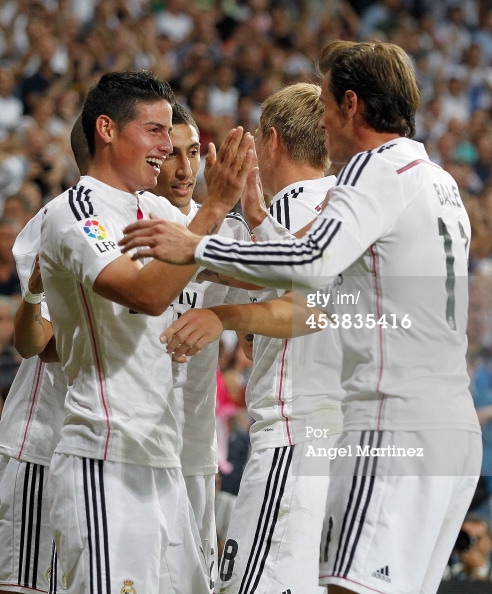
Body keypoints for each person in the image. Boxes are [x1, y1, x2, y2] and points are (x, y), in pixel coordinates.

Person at [119, 41, 482, 594]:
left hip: (382, 422)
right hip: (448, 430)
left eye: (328, 103)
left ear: (351, 105)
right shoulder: (437, 180)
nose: (324, 121)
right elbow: (326, 275)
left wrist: (197, 248)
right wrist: (258, 222)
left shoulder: (373, 170)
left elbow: (311, 269)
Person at [38, 70, 253, 594]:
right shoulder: (76, 213)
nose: (165, 146)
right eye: (155, 130)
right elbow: (146, 293)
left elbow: (240, 271)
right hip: (104, 455)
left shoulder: (154, 210)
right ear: (107, 129)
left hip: (163, 455)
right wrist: (214, 209)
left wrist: (269, 228)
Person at [164, 82, 345, 594]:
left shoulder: (283, 212)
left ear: (272, 141)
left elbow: (309, 311)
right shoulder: (348, 209)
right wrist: (251, 328)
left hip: (293, 436)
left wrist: (221, 314)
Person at [152, 102, 251, 590]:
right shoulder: (130, 223)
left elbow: (260, 332)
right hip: (133, 441)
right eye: (172, 154)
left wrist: (225, 315)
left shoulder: (228, 232)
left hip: (193, 446)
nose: (185, 168)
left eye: (193, 152)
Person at [0, 114, 93, 594]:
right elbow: (48, 345)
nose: (164, 155)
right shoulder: (58, 220)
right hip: (42, 443)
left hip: (97, 451)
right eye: (153, 133)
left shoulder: (148, 219)